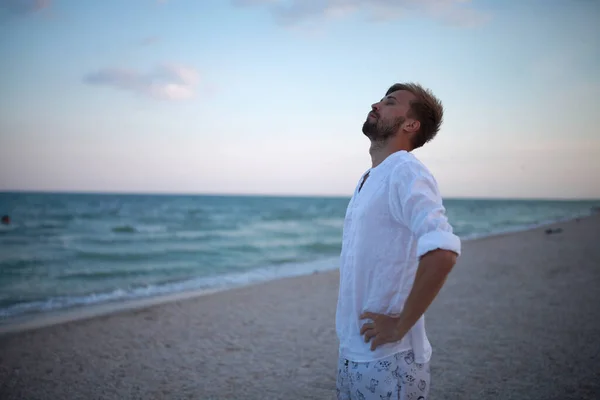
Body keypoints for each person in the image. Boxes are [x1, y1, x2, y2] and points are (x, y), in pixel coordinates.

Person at [335, 82, 461, 400]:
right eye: (380, 99)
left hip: (388, 357)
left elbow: (443, 250)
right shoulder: (370, 177)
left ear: (410, 124)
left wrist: (399, 325)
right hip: (354, 350)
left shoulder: (405, 170)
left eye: (390, 102)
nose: (376, 104)